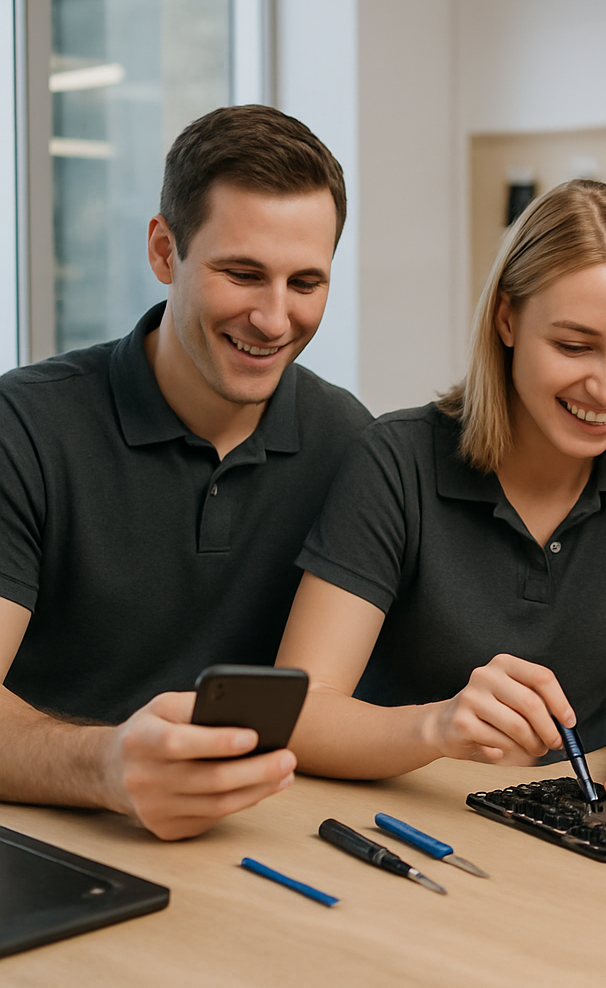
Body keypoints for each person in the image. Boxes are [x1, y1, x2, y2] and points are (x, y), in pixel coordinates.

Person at [274, 180, 606, 812]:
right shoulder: (395, 461)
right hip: (399, 817)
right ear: (506, 318)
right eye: (574, 345)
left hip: (566, 817)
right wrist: (439, 727)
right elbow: (300, 710)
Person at [0, 105, 370, 840]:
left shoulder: (350, 443)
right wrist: (105, 765)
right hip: (46, 838)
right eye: (242, 273)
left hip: (253, 841)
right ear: (165, 252)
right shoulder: (23, 427)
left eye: (305, 282)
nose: (273, 318)